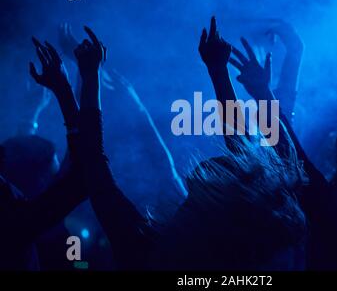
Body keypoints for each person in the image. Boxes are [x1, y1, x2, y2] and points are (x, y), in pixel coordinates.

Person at [76, 19, 307, 270]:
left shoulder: (145, 252)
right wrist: (221, 73)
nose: (189, 187)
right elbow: (248, 157)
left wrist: (87, 79)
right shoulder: (259, 243)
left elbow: (95, 168)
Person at [0, 37, 86, 270]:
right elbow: (83, 162)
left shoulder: (11, 214)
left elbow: (17, 162)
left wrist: (31, 116)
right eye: (55, 164)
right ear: (43, 180)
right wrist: (83, 75)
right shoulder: (61, 252)